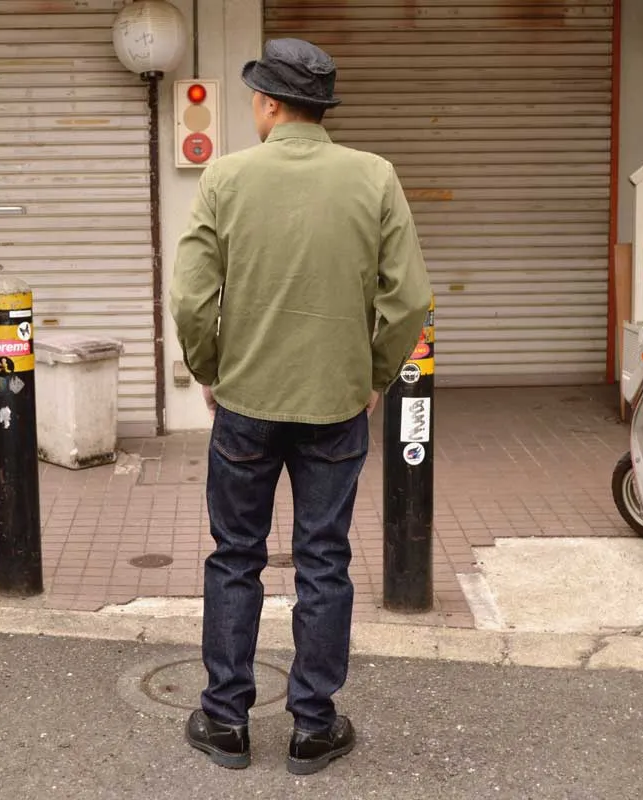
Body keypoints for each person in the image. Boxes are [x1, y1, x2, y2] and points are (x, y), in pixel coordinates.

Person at [169, 37, 431, 775]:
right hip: (334, 406)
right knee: (324, 562)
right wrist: (372, 375)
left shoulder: (225, 178)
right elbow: (409, 299)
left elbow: (190, 298)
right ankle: (313, 727)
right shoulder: (374, 177)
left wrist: (211, 368)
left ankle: (225, 721)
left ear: (269, 103)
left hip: (247, 402)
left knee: (235, 557)